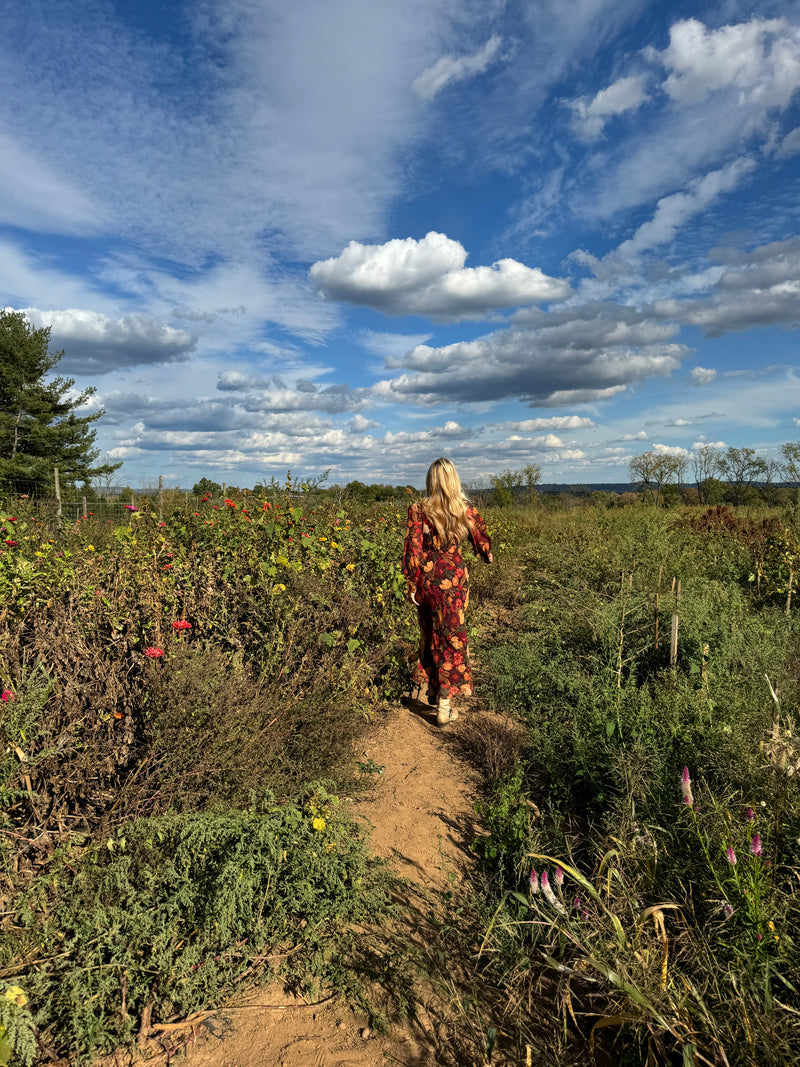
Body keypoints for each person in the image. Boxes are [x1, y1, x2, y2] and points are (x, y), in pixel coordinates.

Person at [402, 457, 493, 726]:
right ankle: (444, 705)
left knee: (430, 635)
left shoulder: (418, 510)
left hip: (428, 583)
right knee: (452, 639)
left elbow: (413, 551)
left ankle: (434, 692)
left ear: (431, 480)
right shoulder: (465, 510)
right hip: (454, 583)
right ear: (453, 479)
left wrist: (411, 584)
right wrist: (485, 554)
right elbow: (483, 545)